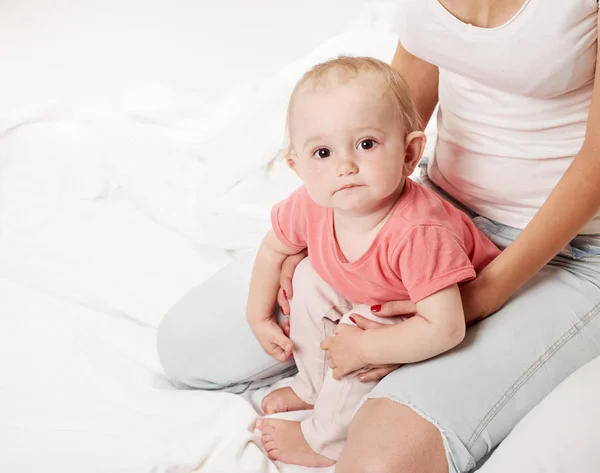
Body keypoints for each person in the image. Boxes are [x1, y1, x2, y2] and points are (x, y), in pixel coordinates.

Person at [157, 1, 600, 472]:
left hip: (568, 255)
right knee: (188, 346)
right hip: (420, 211)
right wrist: (330, 215)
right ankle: (320, 381)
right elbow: (393, 104)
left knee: (376, 463)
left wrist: (472, 300)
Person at [246, 56, 501, 467]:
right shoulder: (313, 203)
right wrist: (258, 316)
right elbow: (274, 248)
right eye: (323, 152)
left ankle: (324, 440)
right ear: (298, 167)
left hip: (433, 306)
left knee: (359, 330)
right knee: (308, 278)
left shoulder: (418, 231)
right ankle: (312, 388)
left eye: (366, 144)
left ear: (409, 153)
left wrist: (365, 347)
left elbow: (446, 327)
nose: (345, 167)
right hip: (383, 291)